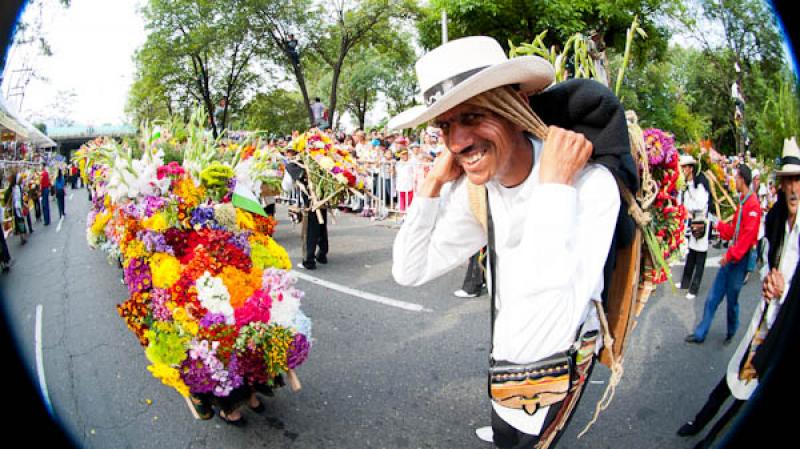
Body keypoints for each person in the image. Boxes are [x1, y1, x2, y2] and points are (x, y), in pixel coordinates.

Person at [390, 36, 635, 448]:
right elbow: (409, 270)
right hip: (503, 372)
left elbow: (538, 336)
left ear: (516, 109)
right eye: (446, 126)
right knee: (504, 431)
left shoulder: (589, 186)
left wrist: (555, 187)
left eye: (472, 116)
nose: (457, 142)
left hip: (549, 377)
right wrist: (432, 184)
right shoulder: (479, 192)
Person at [677, 139, 800, 449]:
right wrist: (767, 278)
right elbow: (763, 251)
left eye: (798, 180)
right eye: (788, 180)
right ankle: (703, 422)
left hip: (785, 327)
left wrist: (783, 289)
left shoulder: (757, 208)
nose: (794, 188)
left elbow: (747, 241)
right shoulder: (771, 217)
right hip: (766, 316)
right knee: (736, 370)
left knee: (730, 309)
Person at [686, 165, 761, 345]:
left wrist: (729, 256)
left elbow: (746, 239)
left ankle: (732, 330)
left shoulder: (753, 206)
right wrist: (717, 224)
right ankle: (700, 333)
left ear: (742, 179)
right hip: (732, 259)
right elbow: (734, 232)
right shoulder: (743, 202)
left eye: (736, 178)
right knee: (713, 297)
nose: (734, 181)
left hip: (739, 261)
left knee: (732, 301)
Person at [282, 149, 328, 269]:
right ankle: (322, 254)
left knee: (309, 232)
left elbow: (286, 186)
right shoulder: (319, 160)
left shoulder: (293, 165)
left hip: (310, 202)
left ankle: (309, 260)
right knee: (322, 227)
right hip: (323, 199)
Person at [678, 155, 711, 299]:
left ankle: (694, 288)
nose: (683, 170)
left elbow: (700, 204)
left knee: (700, 256)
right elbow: (684, 203)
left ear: (691, 168)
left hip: (702, 221)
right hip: (692, 222)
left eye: (684, 167)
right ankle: (685, 282)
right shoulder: (687, 184)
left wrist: (689, 208)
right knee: (691, 254)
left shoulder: (701, 183)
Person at [395, 147, 414, 213]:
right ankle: (402, 213)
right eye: (403, 154)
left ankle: (409, 213)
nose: (405, 155)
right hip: (401, 184)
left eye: (406, 154)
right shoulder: (398, 163)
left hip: (410, 184)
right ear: (400, 155)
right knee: (402, 199)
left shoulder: (411, 162)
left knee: (410, 199)